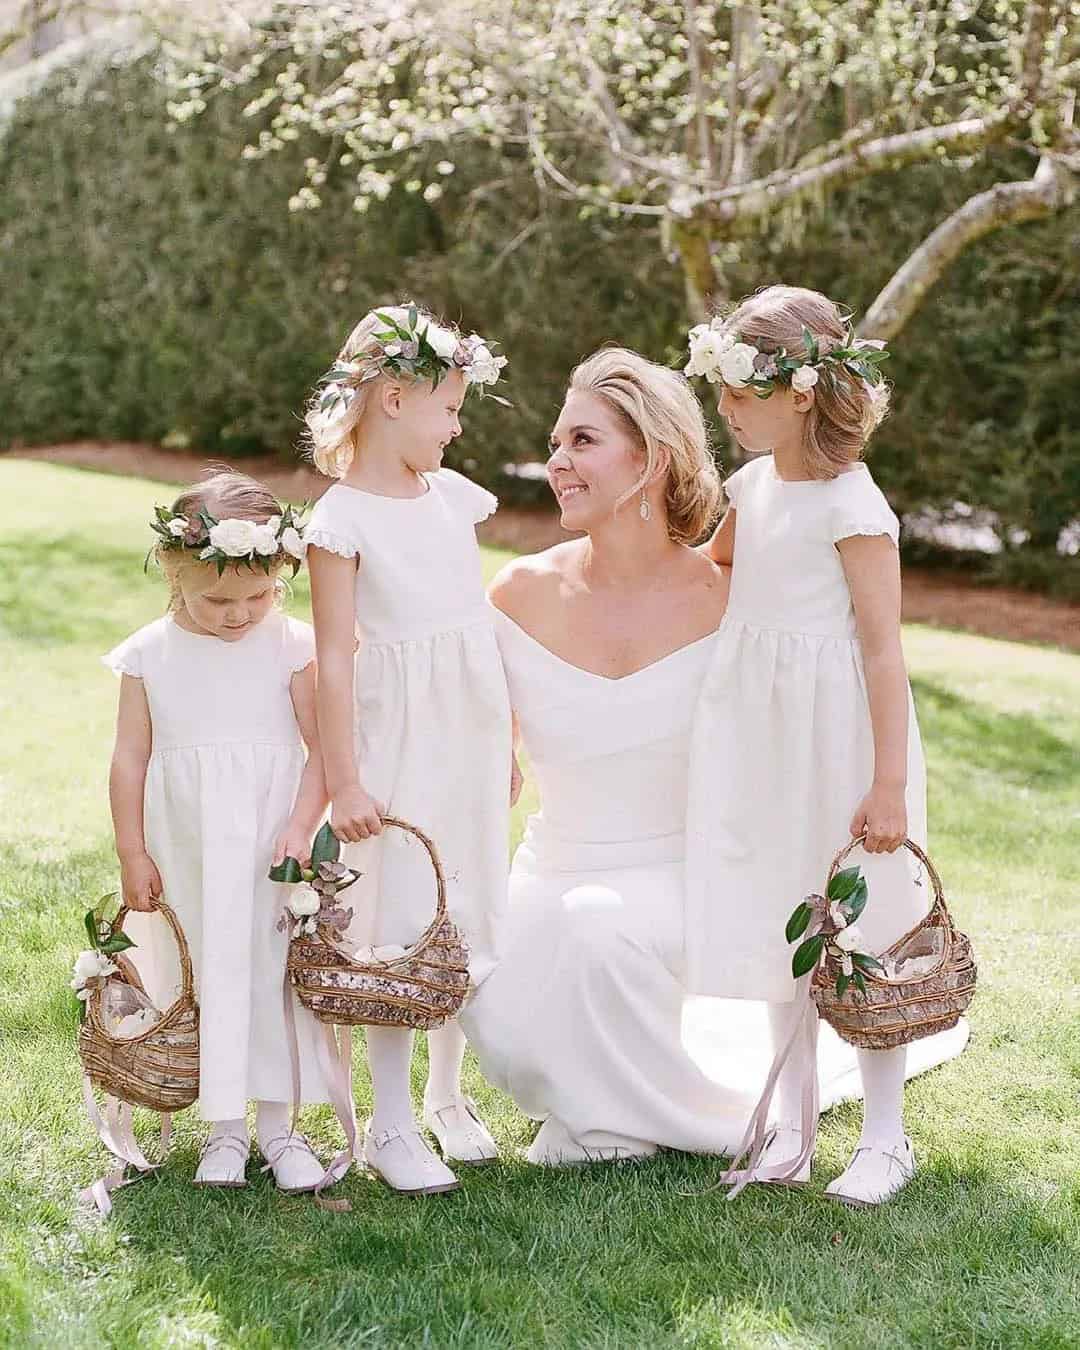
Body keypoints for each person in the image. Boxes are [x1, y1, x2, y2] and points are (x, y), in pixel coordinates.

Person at [685, 283, 951, 1205]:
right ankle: (791, 1125)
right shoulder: (751, 488)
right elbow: (718, 567)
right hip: (758, 730)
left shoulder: (855, 507)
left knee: (860, 917)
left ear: (798, 392)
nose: (724, 410)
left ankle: (885, 1137)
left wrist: (888, 786)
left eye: (738, 392)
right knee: (778, 908)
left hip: (836, 735)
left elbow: (884, 652)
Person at [461, 347, 746, 1162]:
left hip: (684, 880)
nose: (556, 463)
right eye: (556, 444)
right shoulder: (518, 592)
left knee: (598, 933)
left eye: (581, 442)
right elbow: (476, 745)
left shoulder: (729, 600)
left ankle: (627, 1120)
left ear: (652, 458)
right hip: (549, 870)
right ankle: (606, 1101)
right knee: (507, 998)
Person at [304, 303, 513, 1195]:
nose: (459, 427)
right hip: (395, 736)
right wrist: (345, 778)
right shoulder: (341, 520)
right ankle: (388, 1121)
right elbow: (334, 661)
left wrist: (500, 742)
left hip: (465, 727)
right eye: (450, 409)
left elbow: (476, 631)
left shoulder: (453, 500)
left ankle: (446, 1094)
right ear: (393, 397)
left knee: (461, 898)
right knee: (398, 913)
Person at [104, 470, 333, 1191]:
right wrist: (132, 849)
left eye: (257, 597)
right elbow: (129, 756)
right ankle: (223, 1131)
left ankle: (281, 1128)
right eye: (217, 601)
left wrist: (302, 825)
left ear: (280, 577)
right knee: (205, 971)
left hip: (270, 843)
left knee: (270, 976)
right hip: (189, 844)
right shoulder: (148, 654)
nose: (239, 616)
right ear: (174, 574)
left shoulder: (291, 645)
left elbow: (322, 746)